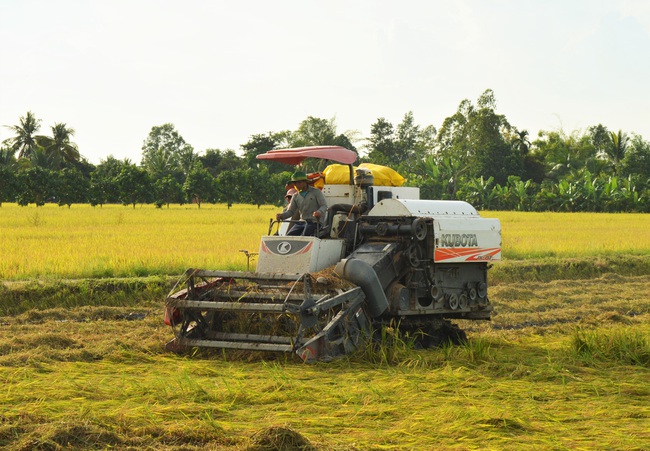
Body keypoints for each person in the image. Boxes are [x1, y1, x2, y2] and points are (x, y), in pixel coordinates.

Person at [276, 171, 327, 236]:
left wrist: (319, 212)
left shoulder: (316, 192)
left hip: (315, 222)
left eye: (299, 182)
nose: (297, 185)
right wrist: (282, 216)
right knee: (289, 236)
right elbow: (291, 211)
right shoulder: (295, 196)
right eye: (295, 183)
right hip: (302, 222)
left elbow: (324, 206)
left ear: (305, 182)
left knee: (304, 236)